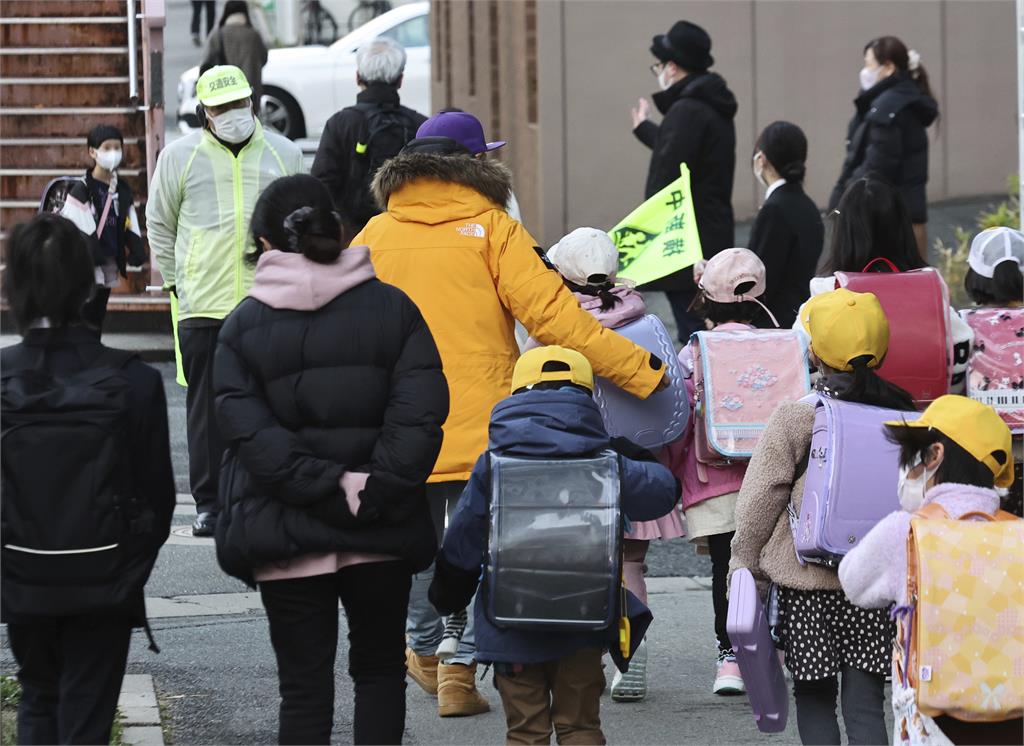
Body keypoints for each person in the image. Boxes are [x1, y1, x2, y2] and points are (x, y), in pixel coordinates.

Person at [353, 110, 667, 718]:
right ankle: (458, 669)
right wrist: (643, 371)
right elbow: (558, 320)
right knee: (481, 541)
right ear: (474, 166)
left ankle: (422, 650)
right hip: (481, 419)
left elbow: (344, 325)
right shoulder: (495, 229)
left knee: (417, 542)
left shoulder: (372, 235)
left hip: (398, 424)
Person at [212, 174, 448, 745]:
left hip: (284, 530)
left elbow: (250, 435)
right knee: (379, 672)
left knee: (303, 686)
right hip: (380, 528)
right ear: (339, 230)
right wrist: (369, 486)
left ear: (264, 244)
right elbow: (419, 417)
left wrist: (324, 484)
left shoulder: (241, 327)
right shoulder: (394, 309)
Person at [428, 346, 679, 745]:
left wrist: (448, 596)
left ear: (514, 394)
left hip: (510, 624)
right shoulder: (609, 460)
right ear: (588, 396)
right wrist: (626, 449)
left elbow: (462, 544)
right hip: (585, 620)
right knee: (580, 727)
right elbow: (663, 492)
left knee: (525, 731)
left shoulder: (493, 463)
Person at [1, 214, 175, 745]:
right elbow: (160, 500)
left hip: (21, 574)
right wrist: (127, 569)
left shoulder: (3, 377)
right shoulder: (134, 381)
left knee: (38, 698)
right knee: (87, 715)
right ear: (86, 286)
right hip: (105, 579)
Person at [730, 288, 917, 745]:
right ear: (882, 351)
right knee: (867, 702)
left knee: (814, 698)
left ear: (813, 352)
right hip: (873, 587)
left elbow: (760, 500)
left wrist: (744, 568)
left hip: (806, 587)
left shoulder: (798, 417)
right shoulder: (905, 417)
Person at [528, 226, 686, 702]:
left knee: (585, 562)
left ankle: (587, 660)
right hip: (642, 459)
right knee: (632, 560)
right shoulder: (643, 317)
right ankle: (630, 657)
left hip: (581, 462)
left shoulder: (560, 329)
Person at [147, 65, 303, 537]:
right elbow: (160, 223)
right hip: (202, 305)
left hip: (269, 302)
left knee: (274, 405)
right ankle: (210, 503)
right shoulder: (179, 157)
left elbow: (304, 220)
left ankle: (266, 492)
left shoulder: (285, 153)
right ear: (204, 113)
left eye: (239, 103)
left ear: (252, 100)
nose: (233, 113)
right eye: (221, 108)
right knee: (206, 412)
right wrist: (178, 283)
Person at [839, 395, 1022, 746]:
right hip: (1014, 719)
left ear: (934, 455)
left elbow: (853, 582)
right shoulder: (1018, 533)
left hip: (931, 725)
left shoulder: (905, 531)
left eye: (911, 458)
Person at [665, 248, 776, 697]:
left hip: (713, 481)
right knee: (767, 566)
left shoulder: (694, 352)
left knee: (724, 568)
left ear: (707, 301)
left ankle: (729, 659)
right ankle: (766, 647)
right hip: (771, 477)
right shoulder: (781, 346)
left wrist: (676, 474)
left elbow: (678, 421)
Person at [806, 177, 972, 394]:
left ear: (844, 233)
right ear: (903, 228)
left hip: (845, 422)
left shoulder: (824, 295)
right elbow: (964, 354)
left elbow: (801, 372)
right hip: (927, 420)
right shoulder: (932, 291)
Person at [631, 19, 737, 341]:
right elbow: (687, 152)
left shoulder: (687, 111)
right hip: (712, 229)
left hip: (689, 240)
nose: (659, 72)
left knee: (696, 331)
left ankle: (703, 390)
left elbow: (667, 173)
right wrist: (646, 129)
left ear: (673, 67)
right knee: (709, 322)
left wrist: (645, 240)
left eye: (659, 66)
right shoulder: (710, 105)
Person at [828, 36, 938, 260]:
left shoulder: (889, 106)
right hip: (907, 216)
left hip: (890, 221)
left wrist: (846, 195)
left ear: (888, 67)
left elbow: (877, 164)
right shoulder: (895, 100)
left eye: (869, 64)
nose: (864, 71)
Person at [312, 37, 426, 231]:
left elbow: (321, 187)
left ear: (358, 77)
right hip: (410, 233)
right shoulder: (420, 125)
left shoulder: (340, 124)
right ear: (400, 80)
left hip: (355, 238)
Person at [59, 124, 146, 333]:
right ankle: (81, 354)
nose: (113, 153)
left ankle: (92, 348)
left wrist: (136, 248)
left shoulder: (121, 188)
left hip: (108, 261)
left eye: (117, 147)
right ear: (92, 151)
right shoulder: (82, 189)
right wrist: (92, 252)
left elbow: (129, 219)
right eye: (107, 148)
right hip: (86, 264)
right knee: (83, 311)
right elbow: (77, 225)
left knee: (98, 312)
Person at [747, 121, 824, 327]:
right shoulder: (808, 206)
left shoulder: (774, 210)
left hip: (772, 328)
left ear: (761, 159)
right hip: (800, 319)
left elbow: (760, 280)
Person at [201, 1, 268, 105]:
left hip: (224, 90)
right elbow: (264, 58)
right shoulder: (253, 35)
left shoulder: (218, 35)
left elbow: (206, 62)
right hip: (249, 90)